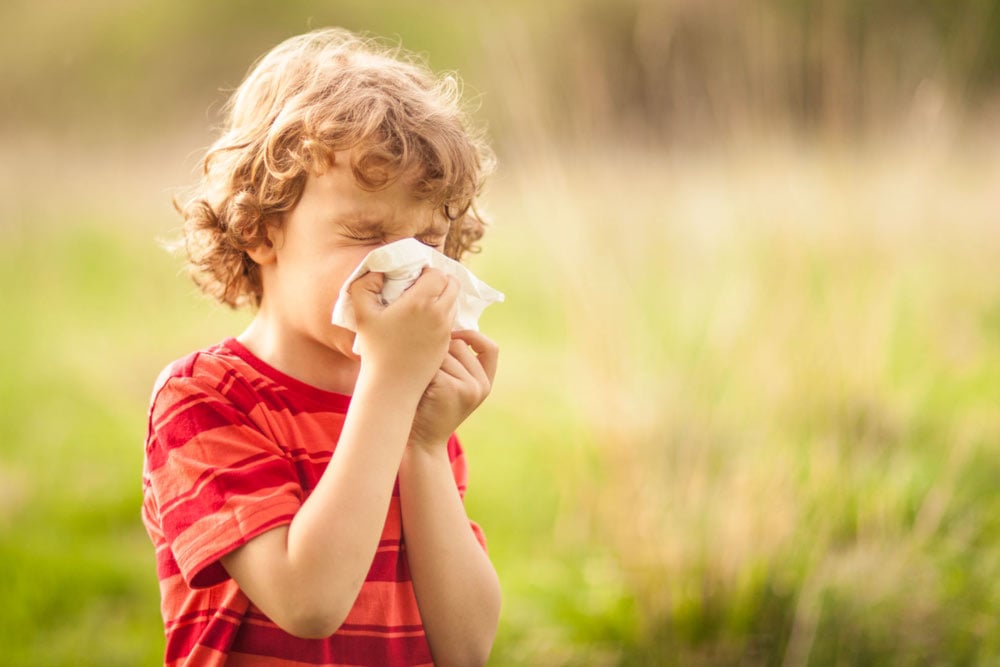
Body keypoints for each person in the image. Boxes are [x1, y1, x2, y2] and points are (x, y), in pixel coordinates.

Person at [142, 27, 501, 667]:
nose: (406, 268)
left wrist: (423, 447)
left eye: (428, 240)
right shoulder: (203, 401)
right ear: (259, 230)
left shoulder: (416, 410)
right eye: (367, 234)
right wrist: (391, 386)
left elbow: (467, 646)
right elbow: (308, 601)